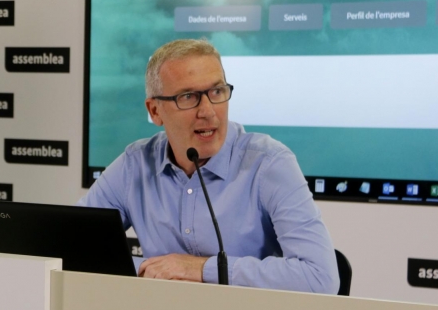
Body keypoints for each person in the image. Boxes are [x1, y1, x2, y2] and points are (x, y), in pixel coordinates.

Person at [78, 39, 339, 293]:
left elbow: (319, 277)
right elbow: (69, 245)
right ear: (155, 111)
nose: (208, 111)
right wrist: (150, 269)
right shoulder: (135, 165)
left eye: (216, 92)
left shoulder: (269, 163)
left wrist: (202, 269)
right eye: (188, 96)